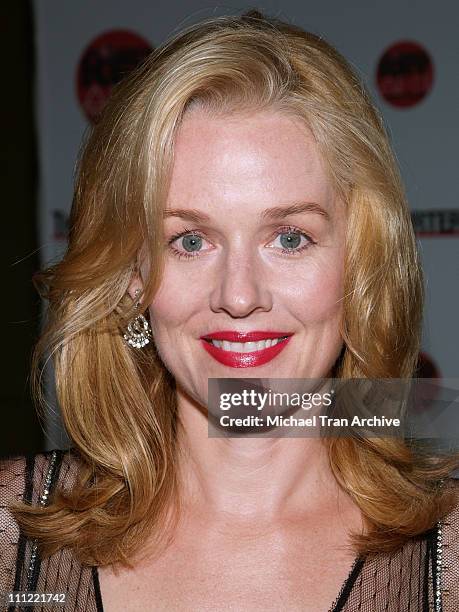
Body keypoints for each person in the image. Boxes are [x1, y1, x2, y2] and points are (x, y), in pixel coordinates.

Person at [1, 10, 458, 612]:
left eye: (289, 237)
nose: (239, 296)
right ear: (133, 277)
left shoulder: (448, 558)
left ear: (360, 264)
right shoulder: (14, 538)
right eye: (190, 241)